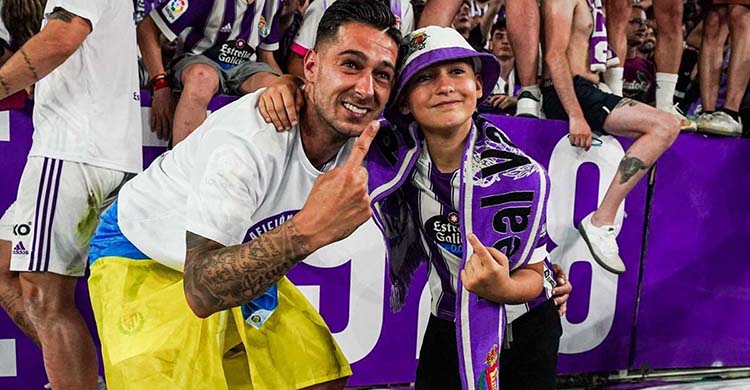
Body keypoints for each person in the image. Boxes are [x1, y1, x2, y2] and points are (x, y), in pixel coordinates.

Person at [86, 1, 400, 388]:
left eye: (382, 75)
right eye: (350, 65)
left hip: (221, 256)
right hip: (143, 252)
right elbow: (201, 290)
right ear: (313, 67)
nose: (366, 88)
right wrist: (308, 231)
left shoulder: (362, 133)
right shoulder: (249, 137)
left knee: (317, 376)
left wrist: (284, 80)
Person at [259, 26, 572, 390]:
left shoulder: (518, 174)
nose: (444, 86)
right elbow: (326, 115)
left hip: (523, 324)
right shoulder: (393, 152)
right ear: (404, 101)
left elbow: (536, 277)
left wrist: (504, 288)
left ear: (479, 86)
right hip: (448, 316)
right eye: (425, 77)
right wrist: (286, 85)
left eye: (457, 72)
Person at [0, 0, 142, 388]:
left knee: (44, 295)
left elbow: (61, 39)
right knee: (7, 271)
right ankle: (77, 379)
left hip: (73, 153)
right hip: (94, 151)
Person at [542, 0, 680, 274]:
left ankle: (601, 221)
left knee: (667, 125)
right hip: (574, 92)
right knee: (664, 126)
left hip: (590, 90)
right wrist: (575, 114)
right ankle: (600, 221)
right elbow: (554, 55)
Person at [138, 0, 283, 145]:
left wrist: (286, 85)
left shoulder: (273, 3)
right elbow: (147, 29)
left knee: (278, 88)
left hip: (244, 67)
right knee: (202, 78)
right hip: (195, 59)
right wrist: (160, 85)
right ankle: (182, 164)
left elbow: (266, 56)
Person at [286, 0, 413, 80]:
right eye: (350, 64)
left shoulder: (403, 8)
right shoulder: (324, 4)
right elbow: (297, 61)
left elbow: (400, 70)